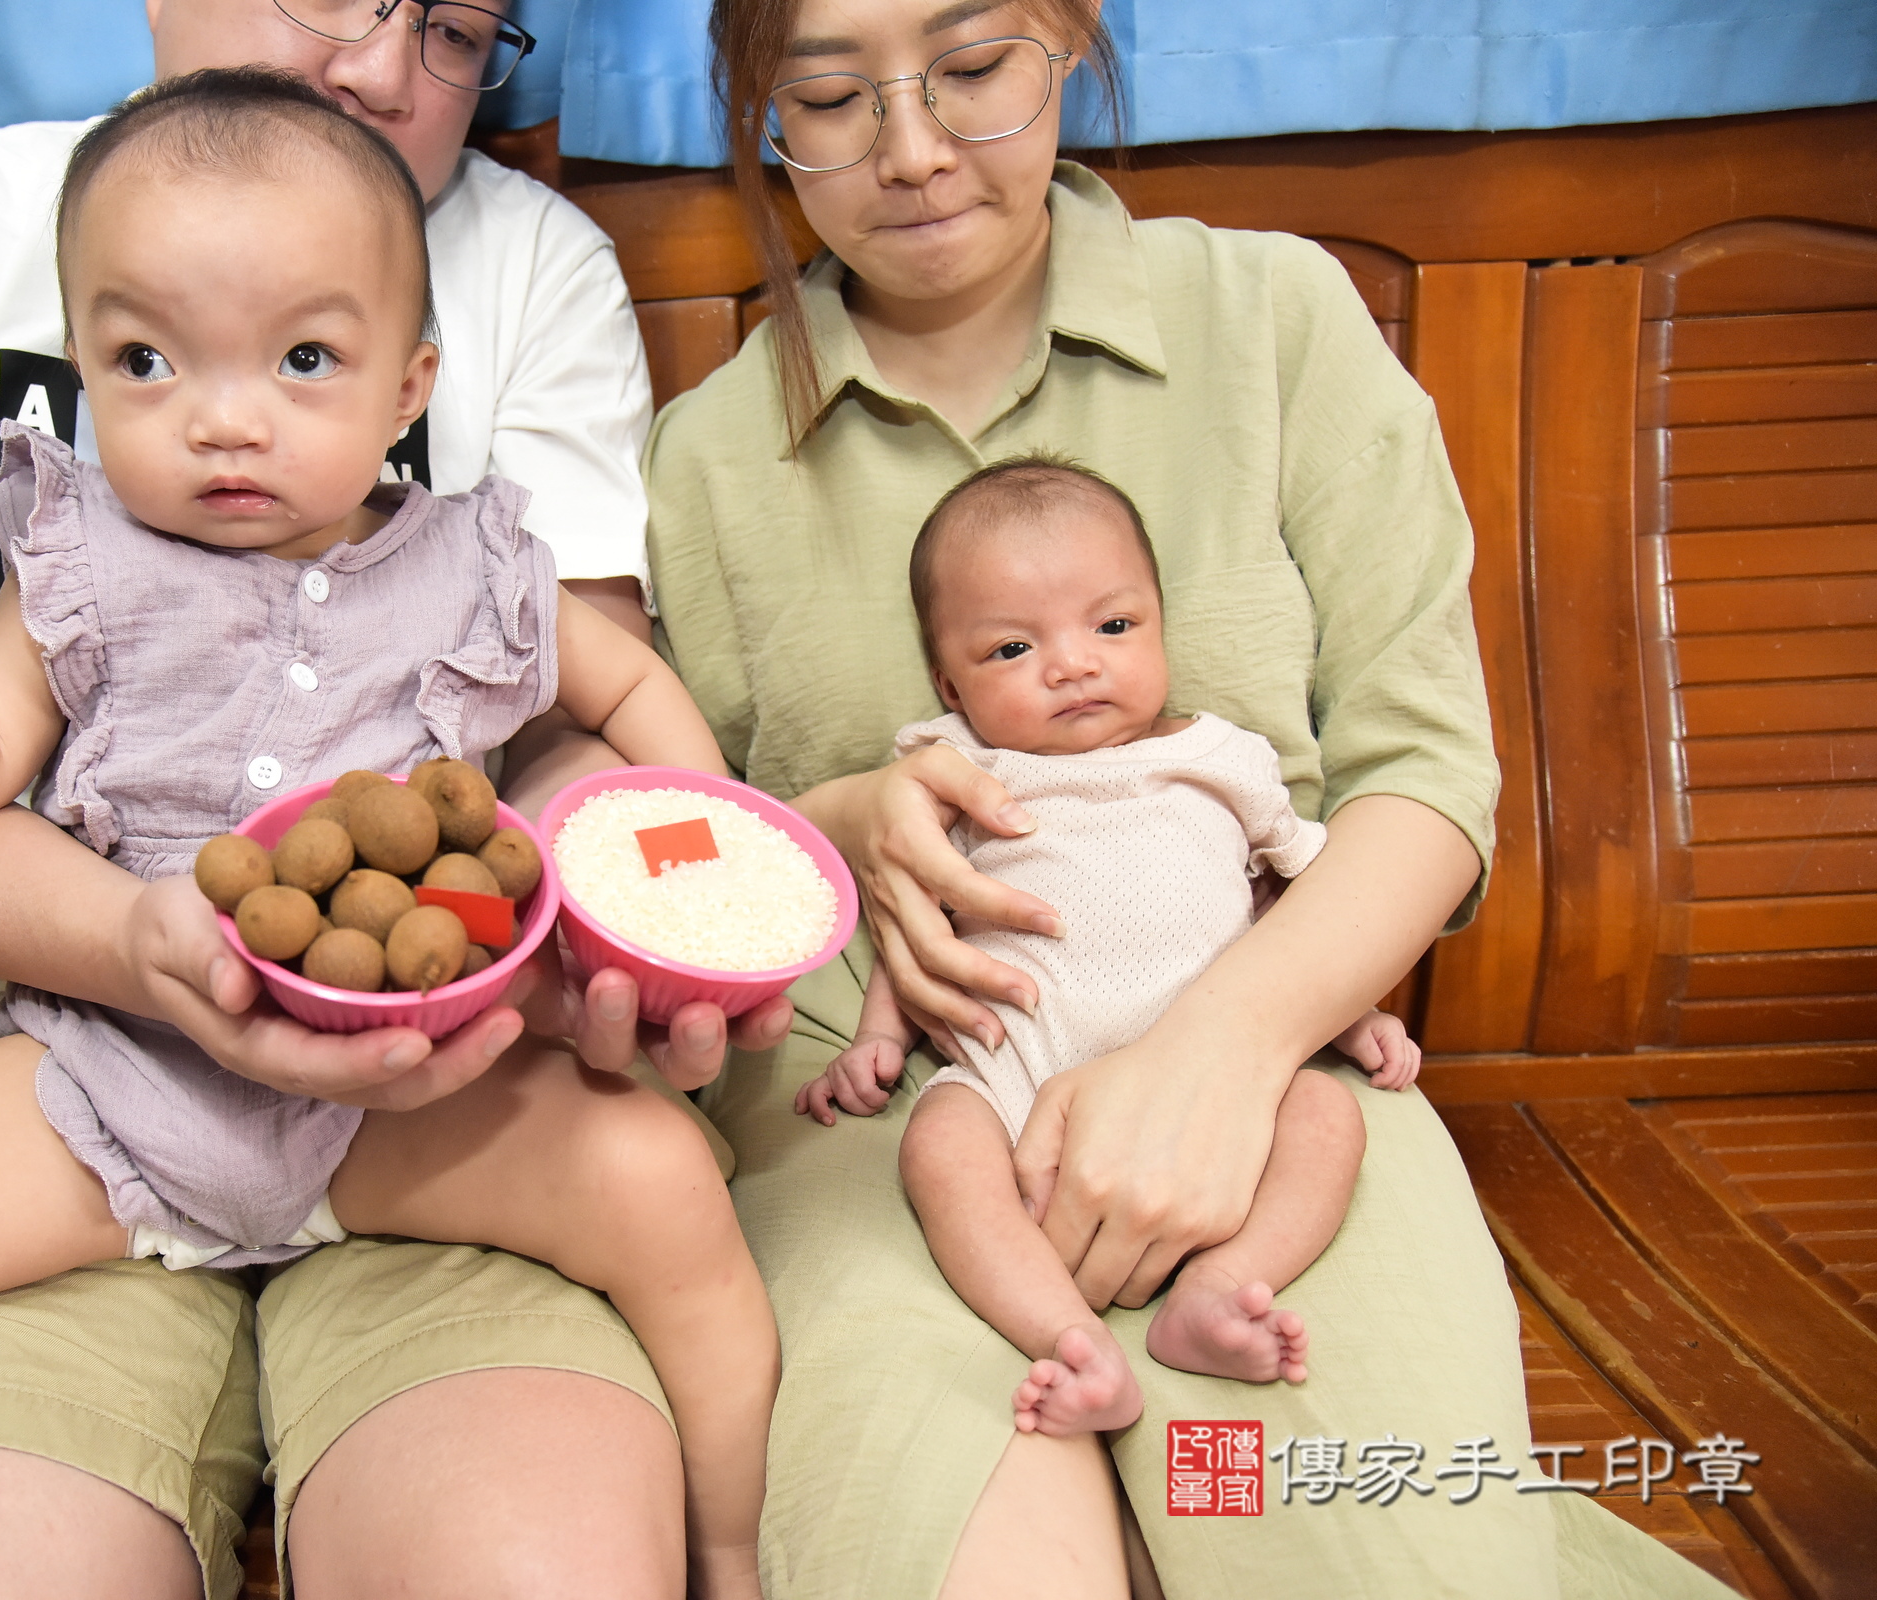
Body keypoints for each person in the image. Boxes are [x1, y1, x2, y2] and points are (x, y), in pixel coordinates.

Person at [0, 4, 790, 1594]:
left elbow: (619, 694)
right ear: (80, 354)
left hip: (413, 1075)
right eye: (144, 362)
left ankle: (734, 1557)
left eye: (304, 361)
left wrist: (686, 862)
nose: (222, 415)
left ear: (412, 385)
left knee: (670, 1192)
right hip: (105, 1075)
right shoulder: (72, 566)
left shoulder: (480, 558)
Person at [638, 0, 1741, 1593]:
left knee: (1349, 1553)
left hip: (1273, 1042)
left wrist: (1228, 1049)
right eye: (830, 97)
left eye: (971, 74)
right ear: (762, 119)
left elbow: (1422, 775)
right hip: (887, 1115)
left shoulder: (1276, 317)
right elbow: (701, 855)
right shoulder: (708, 453)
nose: (915, 149)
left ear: (1068, 49)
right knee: (960, 1557)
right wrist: (855, 804)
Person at [796, 455, 1422, 1437]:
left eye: (1113, 626)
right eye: (1011, 648)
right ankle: (1066, 1339)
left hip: (1216, 1073)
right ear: (947, 681)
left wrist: (1354, 1011)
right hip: (1017, 1076)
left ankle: (1217, 1292)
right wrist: (878, 1039)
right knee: (939, 1146)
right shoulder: (954, 770)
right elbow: (908, 907)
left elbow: (1290, 893)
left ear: (1162, 624)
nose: (1073, 662)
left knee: (1326, 1120)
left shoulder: (1220, 759)